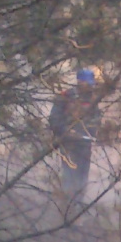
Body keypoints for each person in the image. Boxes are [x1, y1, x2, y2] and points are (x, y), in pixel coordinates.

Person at [48, 68, 102, 202]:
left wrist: (95, 134)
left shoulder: (93, 100)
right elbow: (54, 119)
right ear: (79, 81)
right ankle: (66, 203)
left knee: (83, 175)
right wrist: (65, 132)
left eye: (91, 84)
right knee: (69, 174)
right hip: (68, 144)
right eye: (86, 83)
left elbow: (97, 120)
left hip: (85, 144)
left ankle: (78, 202)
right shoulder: (65, 96)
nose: (89, 87)